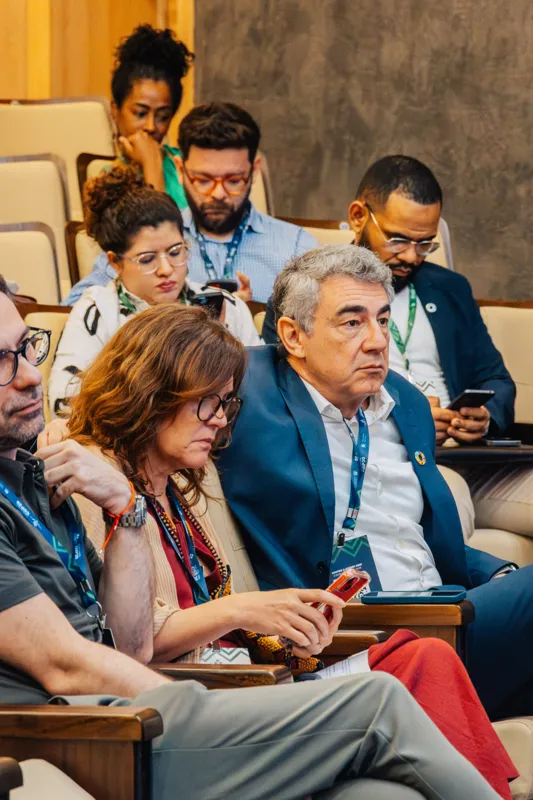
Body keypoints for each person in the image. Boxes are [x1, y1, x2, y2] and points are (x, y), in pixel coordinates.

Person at [0, 279, 503, 800]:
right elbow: (89, 661)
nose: (219, 421)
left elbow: (128, 643)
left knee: (390, 795)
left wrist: (128, 511)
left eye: (28, 350)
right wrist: (235, 639)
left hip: (189, 695)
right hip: (130, 722)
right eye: (206, 403)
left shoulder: (64, 482)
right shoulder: (85, 474)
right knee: (382, 697)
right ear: (152, 394)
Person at [217, 244, 533, 723]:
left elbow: (416, 532)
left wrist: (498, 574)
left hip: (443, 613)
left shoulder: (404, 401)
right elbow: (148, 393)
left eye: (383, 320)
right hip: (362, 631)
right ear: (293, 336)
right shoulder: (249, 388)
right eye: (352, 322)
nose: (377, 341)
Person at [263, 155, 533, 542]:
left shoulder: (450, 289)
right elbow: (291, 393)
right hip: (387, 456)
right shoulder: (308, 294)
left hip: (471, 459)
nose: (410, 256)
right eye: (399, 239)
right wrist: (413, 420)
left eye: (425, 244)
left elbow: (496, 380)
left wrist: (484, 416)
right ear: (358, 216)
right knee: (446, 501)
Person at [50, 167, 260, 418]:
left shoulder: (227, 306)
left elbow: (260, 390)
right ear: (115, 262)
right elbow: (65, 404)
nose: (166, 269)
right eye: (147, 259)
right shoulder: (99, 311)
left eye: (176, 252)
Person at [67, 102, 318, 305]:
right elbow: (75, 308)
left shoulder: (295, 247)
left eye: (233, 181)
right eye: (203, 180)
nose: (218, 194)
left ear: (254, 171)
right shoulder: (145, 240)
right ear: (180, 169)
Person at [64, 24, 193, 306]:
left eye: (163, 116)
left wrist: (155, 162)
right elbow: (152, 244)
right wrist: (151, 164)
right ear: (115, 110)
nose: (151, 127)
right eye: (140, 113)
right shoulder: (107, 181)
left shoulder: (188, 169)